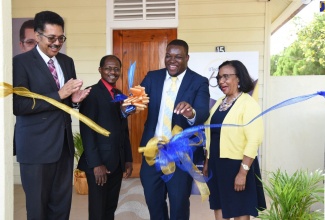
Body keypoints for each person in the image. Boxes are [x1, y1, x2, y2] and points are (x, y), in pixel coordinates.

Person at [13, 11, 91, 220]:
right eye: (51, 38)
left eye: (61, 38)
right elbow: (19, 105)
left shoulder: (67, 61)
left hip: (63, 147)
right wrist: (59, 94)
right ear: (38, 36)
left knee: (61, 207)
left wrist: (74, 101)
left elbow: (64, 103)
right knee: (38, 208)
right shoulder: (20, 63)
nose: (57, 43)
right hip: (35, 147)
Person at [139, 39, 210, 220]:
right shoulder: (152, 77)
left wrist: (190, 112)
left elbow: (202, 113)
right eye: (169, 56)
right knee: (154, 202)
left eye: (178, 57)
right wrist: (128, 105)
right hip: (152, 152)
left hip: (180, 153)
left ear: (187, 58)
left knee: (178, 204)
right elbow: (137, 99)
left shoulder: (198, 81)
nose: (172, 61)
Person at [202, 60, 266, 220]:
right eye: (219, 78)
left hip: (237, 165)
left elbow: (254, 140)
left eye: (226, 77)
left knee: (240, 209)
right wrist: (208, 161)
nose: (221, 81)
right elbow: (212, 135)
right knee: (219, 205)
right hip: (216, 165)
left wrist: (243, 172)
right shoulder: (218, 103)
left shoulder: (248, 104)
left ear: (239, 79)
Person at [77, 55, 133, 220]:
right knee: (98, 211)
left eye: (116, 69)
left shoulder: (119, 95)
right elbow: (87, 130)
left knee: (110, 208)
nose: (112, 72)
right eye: (108, 68)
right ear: (100, 70)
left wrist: (128, 159)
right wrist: (96, 164)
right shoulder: (91, 94)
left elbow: (123, 130)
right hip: (99, 164)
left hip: (116, 162)